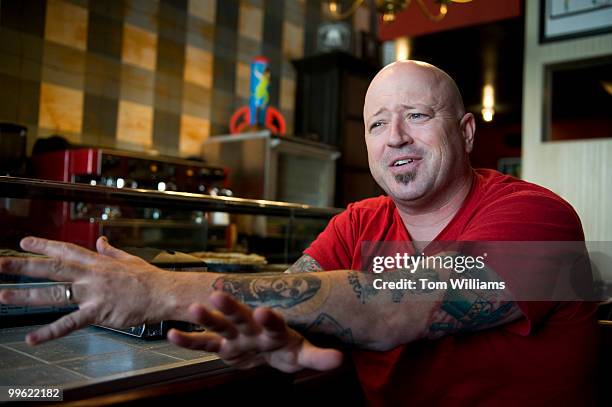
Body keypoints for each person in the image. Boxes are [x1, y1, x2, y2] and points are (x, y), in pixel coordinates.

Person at [0, 61, 598, 405]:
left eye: (417, 116)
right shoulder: (359, 222)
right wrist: (274, 334)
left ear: (465, 132)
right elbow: (297, 291)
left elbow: (394, 302)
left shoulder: (538, 219)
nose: (395, 137)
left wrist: (160, 288)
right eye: (377, 123)